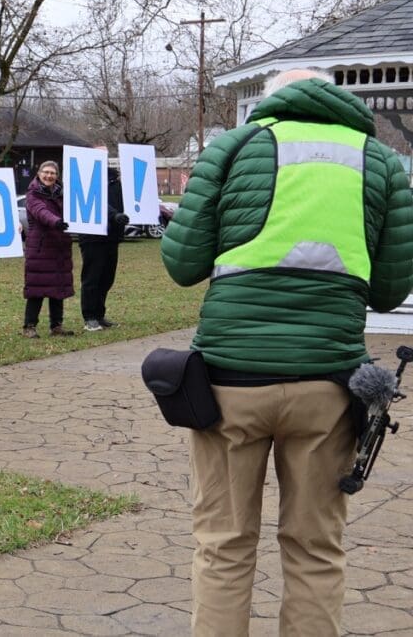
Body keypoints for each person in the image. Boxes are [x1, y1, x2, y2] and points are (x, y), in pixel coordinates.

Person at [161, 69, 413, 635]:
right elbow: (393, 289)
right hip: (327, 385)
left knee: (223, 544)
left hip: (230, 383)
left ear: (272, 99)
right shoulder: (381, 162)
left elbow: (181, 265)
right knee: (316, 548)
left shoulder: (235, 145)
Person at [21, 160, 76, 338]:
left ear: (57, 176)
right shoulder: (32, 195)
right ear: (39, 173)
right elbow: (40, 211)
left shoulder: (64, 194)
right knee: (37, 288)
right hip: (40, 248)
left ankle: (56, 326)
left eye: (52, 173)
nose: (49, 175)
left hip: (60, 247)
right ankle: (29, 326)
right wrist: (57, 222)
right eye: (46, 172)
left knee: (58, 288)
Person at [78, 154, 129, 332]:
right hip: (92, 236)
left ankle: (100, 314)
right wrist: (114, 215)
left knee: (107, 278)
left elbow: (128, 202)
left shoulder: (116, 181)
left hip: (112, 236)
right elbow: (94, 202)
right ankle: (89, 317)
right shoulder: (84, 178)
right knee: (92, 278)